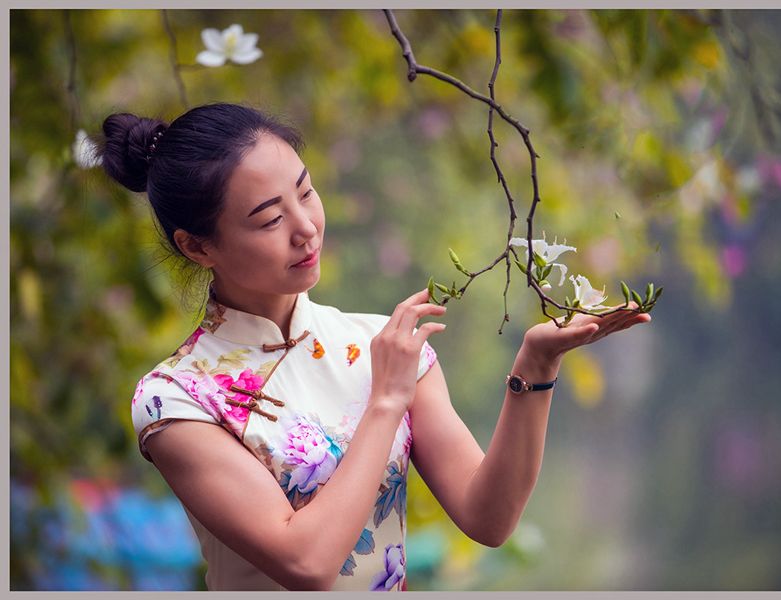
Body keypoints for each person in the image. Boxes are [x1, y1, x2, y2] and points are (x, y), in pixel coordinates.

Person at [97, 102, 651, 591]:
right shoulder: (177, 397)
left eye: (306, 192)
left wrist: (537, 364)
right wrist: (386, 400)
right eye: (269, 218)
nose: (305, 228)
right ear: (197, 246)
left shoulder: (377, 343)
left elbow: (489, 517)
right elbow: (305, 563)